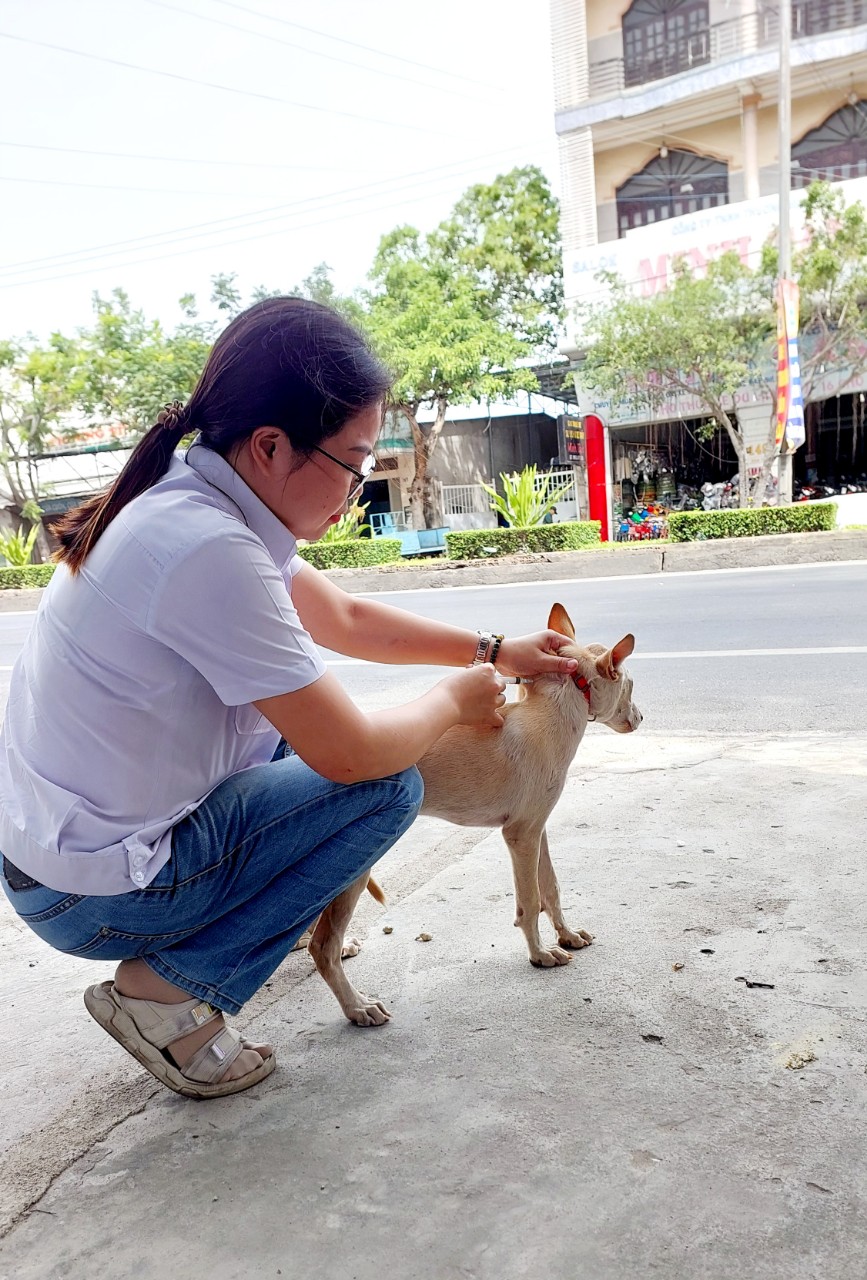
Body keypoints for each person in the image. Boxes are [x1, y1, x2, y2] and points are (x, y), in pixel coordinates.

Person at [0, 297, 579, 1099]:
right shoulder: (208, 548)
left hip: (57, 857)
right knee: (386, 787)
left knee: (302, 744)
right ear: (272, 446)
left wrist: (492, 649)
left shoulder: (193, 501)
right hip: (96, 897)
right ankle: (165, 995)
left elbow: (342, 617)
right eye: (352, 461)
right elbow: (353, 756)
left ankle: (208, 953)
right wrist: (453, 700)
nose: (357, 485)